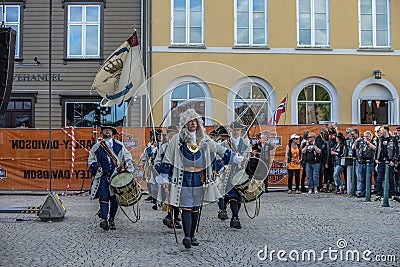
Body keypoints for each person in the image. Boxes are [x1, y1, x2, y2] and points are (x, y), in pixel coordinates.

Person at [156, 109, 241, 249]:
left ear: (198, 123)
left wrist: (235, 158)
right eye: (190, 121)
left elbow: (218, 149)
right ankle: (187, 236)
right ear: (185, 123)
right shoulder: (177, 139)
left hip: (199, 178)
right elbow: (169, 157)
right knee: (186, 207)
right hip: (183, 178)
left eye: (195, 120)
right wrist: (164, 176)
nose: (193, 123)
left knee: (195, 208)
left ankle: (193, 235)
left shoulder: (204, 139)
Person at [88, 125, 134, 230]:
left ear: (113, 133)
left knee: (114, 200)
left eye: (109, 130)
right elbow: (91, 160)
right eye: (105, 130)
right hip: (104, 177)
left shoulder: (119, 146)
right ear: (102, 133)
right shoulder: (97, 147)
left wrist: (128, 164)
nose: (107, 132)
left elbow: (127, 157)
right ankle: (104, 219)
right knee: (103, 198)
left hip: (116, 178)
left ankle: (111, 219)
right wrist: (97, 167)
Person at [221, 121, 252, 229]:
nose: (236, 132)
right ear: (231, 130)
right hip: (229, 172)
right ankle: (235, 217)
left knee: (239, 195)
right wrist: (223, 167)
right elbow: (220, 158)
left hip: (242, 172)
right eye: (234, 130)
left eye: (238, 130)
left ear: (240, 131)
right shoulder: (225, 144)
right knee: (233, 194)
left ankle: (235, 216)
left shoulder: (246, 144)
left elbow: (248, 158)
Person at [154, 125, 182, 229]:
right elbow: (157, 162)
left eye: (174, 133)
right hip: (167, 177)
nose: (172, 135)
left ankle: (174, 217)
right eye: (170, 134)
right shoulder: (163, 147)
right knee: (170, 198)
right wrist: (161, 172)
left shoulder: (181, 147)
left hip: (179, 177)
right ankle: (171, 217)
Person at [374, 125, 399, 201]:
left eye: (382, 130)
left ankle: (392, 194)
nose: (380, 131)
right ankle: (378, 195)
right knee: (379, 178)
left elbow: (397, 151)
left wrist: (393, 161)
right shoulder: (379, 139)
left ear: (386, 130)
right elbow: (377, 150)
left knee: (391, 178)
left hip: (389, 161)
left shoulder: (393, 139)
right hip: (381, 161)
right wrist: (376, 159)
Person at [352, 130, 376, 198]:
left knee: (368, 178)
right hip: (360, 162)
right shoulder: (360, 142)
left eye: (367, 136)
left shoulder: (372, 142)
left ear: (370, 136)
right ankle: (360, 192)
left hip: (369, 163)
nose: (365, 137)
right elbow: (353, 148)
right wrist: (356, 141)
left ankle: (367, 192)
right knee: (360, 178)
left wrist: (368, 143)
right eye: (364, 136)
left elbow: (374, 148)